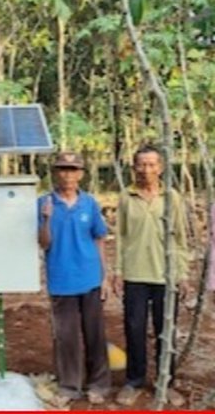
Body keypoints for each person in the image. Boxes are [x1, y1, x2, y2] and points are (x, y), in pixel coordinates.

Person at [113, 145, 189, 407]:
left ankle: (166, 382)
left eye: (151, 164)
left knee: (164, 330)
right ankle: (134, 380)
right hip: (135, 274)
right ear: (133, 167)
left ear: (161, 167)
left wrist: (182, 272)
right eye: (141, 165)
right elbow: (120, 238)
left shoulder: (172, 198)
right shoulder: (126, 196)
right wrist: (117, 271)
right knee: (134, 328)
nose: (146, 170)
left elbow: (180, 237)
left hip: (165, 276)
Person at [38, 151, 111, 406]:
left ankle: (99, 384)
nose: (68, 174)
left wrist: (105, 276)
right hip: (61, 279)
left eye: (73, 169)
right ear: (55, 173)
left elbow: (99, 237)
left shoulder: (89, 203)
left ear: (81, 173)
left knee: (95, 334)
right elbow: (44, 243)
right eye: (63, 169)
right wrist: (46, 220)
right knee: (66, 336)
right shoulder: (44, 203)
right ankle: (69, 386)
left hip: (90, 277)